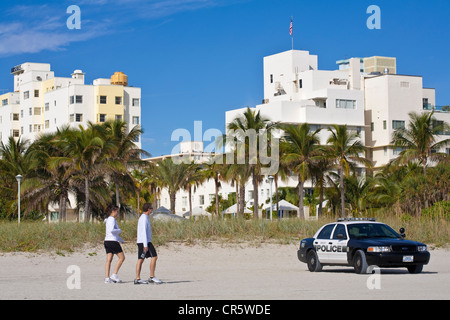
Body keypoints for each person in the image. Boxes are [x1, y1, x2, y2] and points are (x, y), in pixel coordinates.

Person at [135, 203, 162, 285]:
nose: (152, 210)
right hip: (145, 242)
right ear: (148, 209)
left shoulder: (145, 217)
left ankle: (138, 278)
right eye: (151, 209)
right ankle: (151, 277)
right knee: (154, 257)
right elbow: (143, 232)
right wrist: (145, 245)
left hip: (144, 241)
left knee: (141, 259)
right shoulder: (144, 218)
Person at [104, 205, 125, 284]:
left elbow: (111, 233)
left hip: (107, 241)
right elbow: (112, 231)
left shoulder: (109, 220)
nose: (117, 213)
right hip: (112, 242)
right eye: (117, 211)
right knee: (122, 258)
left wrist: (121, 240)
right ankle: (114, 275)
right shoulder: (112, 219)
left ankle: (107, 278)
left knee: (109, 260)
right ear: (113, 211)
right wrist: (119, 230)